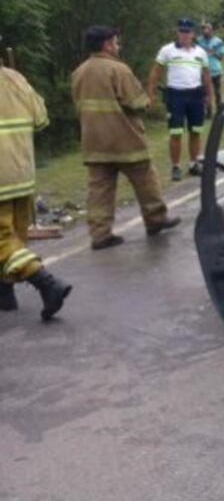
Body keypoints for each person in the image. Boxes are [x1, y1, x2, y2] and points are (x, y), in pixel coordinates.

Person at [71, 26, 181, 251]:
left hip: (94, 142)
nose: (118, 46)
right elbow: (137, 103)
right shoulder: (118, 69)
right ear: (107, 45)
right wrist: (149, 100)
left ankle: (100, 235)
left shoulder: (78, 72)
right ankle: (156, 220)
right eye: (115, 42)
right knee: (145, 180)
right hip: (125, 140)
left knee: (99, 191)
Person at [0, 65, 72, 320]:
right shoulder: (16, 77)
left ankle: (47, 283)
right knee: (13, 241)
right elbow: (41, 119)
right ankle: (5, 296)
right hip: (22, 175)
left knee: (3, 243)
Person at [147, 18, 214, 181]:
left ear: (193, 34)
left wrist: (209, 96)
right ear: (177, 32)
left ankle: (193, 164)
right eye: (181, 31)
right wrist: (151, 93)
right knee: (175, 133)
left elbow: (206, 76)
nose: (184, 35)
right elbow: (155, 72)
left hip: (196, 95)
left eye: (187, 32)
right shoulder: (167, 50)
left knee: (196, 131)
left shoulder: (200, 52)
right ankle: (176, 166)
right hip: (176, 95)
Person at [196, 22, 224, 115]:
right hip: (202, 71)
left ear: (212, 30)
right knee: (204, 93)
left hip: (215, 70)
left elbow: (222, 57)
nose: (205, 31)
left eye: (207, 29)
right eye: (203, 29)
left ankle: (220, 110)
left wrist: (213, 53)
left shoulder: (218, 41)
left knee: (217, 92)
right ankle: (208, 112)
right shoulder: (198, 41)